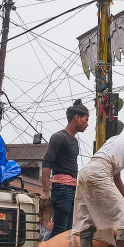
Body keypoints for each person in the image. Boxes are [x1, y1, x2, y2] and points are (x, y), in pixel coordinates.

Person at [72, 119, 124, 247]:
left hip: (85, 172)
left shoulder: (115, 139)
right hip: (101, 172)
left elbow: (116, 177)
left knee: (86, 220)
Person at [41, 99, 89, 239]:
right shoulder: (59, 137)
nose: (87, 124)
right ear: (77, 118)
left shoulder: (74, 140)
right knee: (60, 230)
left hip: (72, 189)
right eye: (85, 120)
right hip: (61, 189)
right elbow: (47, 162)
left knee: (68, 230)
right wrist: (46, 190)